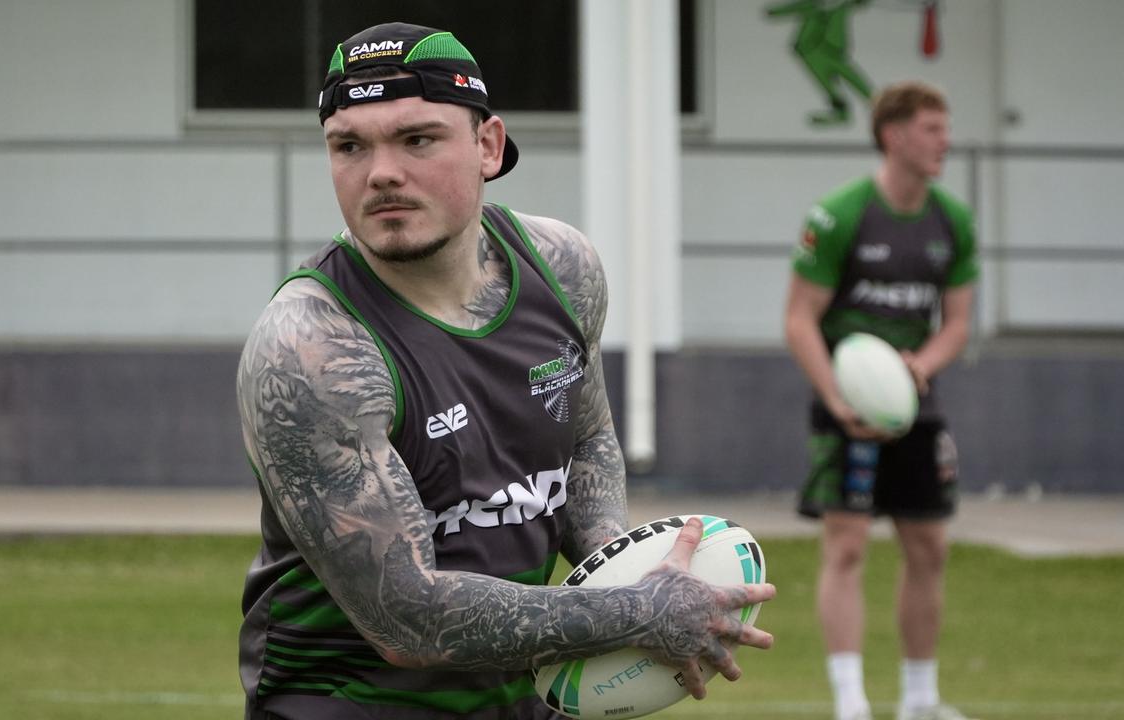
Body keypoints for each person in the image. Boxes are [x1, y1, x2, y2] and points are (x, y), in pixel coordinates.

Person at [235, 22, 776, 720]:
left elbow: (585, 442)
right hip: (348, 701)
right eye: (350, 146)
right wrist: (633, 611)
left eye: (417, 139)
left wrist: (620, 561)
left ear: (487, 146)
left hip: (518, 693)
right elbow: (408, 619)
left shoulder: (563, 267)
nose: (381, 173)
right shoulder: (310, 347)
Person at [783, 80, 978, 720]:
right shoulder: (840, 215)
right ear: (893, 136)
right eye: (932, 129)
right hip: (846, 412)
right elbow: (799, 319)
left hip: (916, 409)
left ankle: (921, 699)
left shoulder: (952, 220)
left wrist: (917, 368)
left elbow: (956, 324)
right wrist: (839, 398)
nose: (944, 141)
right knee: (846, 548)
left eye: (945, 129)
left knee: (929, 549)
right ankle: (851, 703)